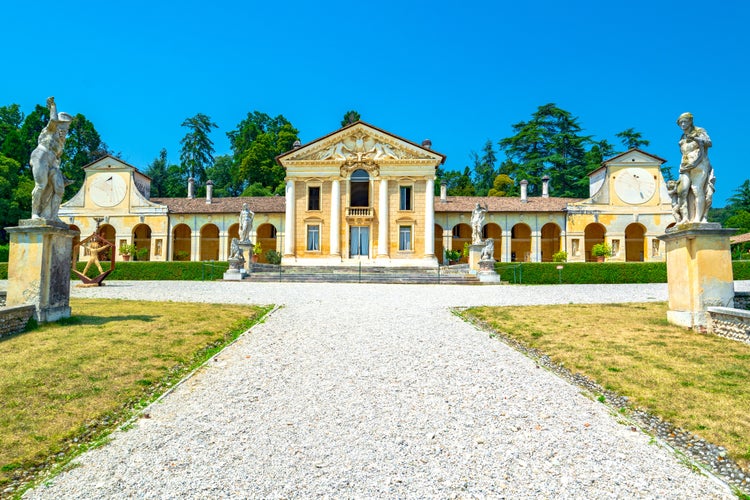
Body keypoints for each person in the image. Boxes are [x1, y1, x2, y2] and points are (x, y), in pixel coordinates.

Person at [30, 97, 73, 222]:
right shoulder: (50, 130)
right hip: (40, 156)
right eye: (62, 128)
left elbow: (57, 159)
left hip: (52, 163)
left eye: (66, 129)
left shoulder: (61, 143)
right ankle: (34, 214)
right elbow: (53, 120)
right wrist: (53, 106)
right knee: (41, 185)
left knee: (59, 189)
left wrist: (62, 177)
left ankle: (53, 216)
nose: (64, 131)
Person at [677, 112, 715, 223]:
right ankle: (685, 218)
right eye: (681, 122)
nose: (683, 124)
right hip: (685, 165)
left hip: (699, 163)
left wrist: (698, 139)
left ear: (690, 121)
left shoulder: (699, 131)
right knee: (682, 191)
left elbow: (709, 142)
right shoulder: (683, 136)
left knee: (697, 189)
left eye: (685, 121)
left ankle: (698, 218)